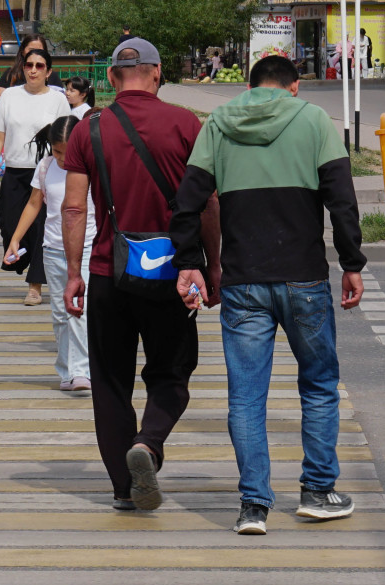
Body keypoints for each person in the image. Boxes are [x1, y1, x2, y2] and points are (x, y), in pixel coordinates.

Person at [170, 54, 367, 536]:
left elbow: (187, 202)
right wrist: (352, 262)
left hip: (242, 283)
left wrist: (190, 261)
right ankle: (318, 492)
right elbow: (341, 199)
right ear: (293, 87)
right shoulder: (315, 120)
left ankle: (253, 505)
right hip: (304, 278)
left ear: (251, 87)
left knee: (246, 396)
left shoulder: (218, 123)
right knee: (319, 385)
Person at [59, 37, 217, 513]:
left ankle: (124, 488)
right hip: (174, 271)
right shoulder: (187, 124)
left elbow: (72, 208)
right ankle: (148, 443)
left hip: (110, 271)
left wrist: (72, 274)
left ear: (110, 77)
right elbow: (208, 203)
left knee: (109, 381)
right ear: (157, 72)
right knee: (172, 371)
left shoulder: (88, 130)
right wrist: (216, 265)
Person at [4, 115, 92, 393]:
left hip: (88, 245)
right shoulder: (45, 166)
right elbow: (33, 204)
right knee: (59, 313)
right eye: (57, 151)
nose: (63, 158)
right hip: (53, 248)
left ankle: (82, 371)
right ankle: (66, 370)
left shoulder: (93, 166)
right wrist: (15, 240)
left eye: (69, 151)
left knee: (80, 309)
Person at [0, 47, 70, 306]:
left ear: (49, 72)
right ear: (22, 68)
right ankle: (21, 258)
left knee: (40, 227)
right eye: (29, 64)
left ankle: (35, 285)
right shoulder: (10, 96)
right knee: (10, 221)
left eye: (39, 65)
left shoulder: (57, 100)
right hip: (14, 171)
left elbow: (66, 136)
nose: (33, 70)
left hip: (45, 171)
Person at [0, 34, 55, 107]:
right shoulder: (11, 73)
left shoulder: (52, 76)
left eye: (39, 51)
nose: (35, 54)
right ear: (22, 51)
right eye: (31, 50)